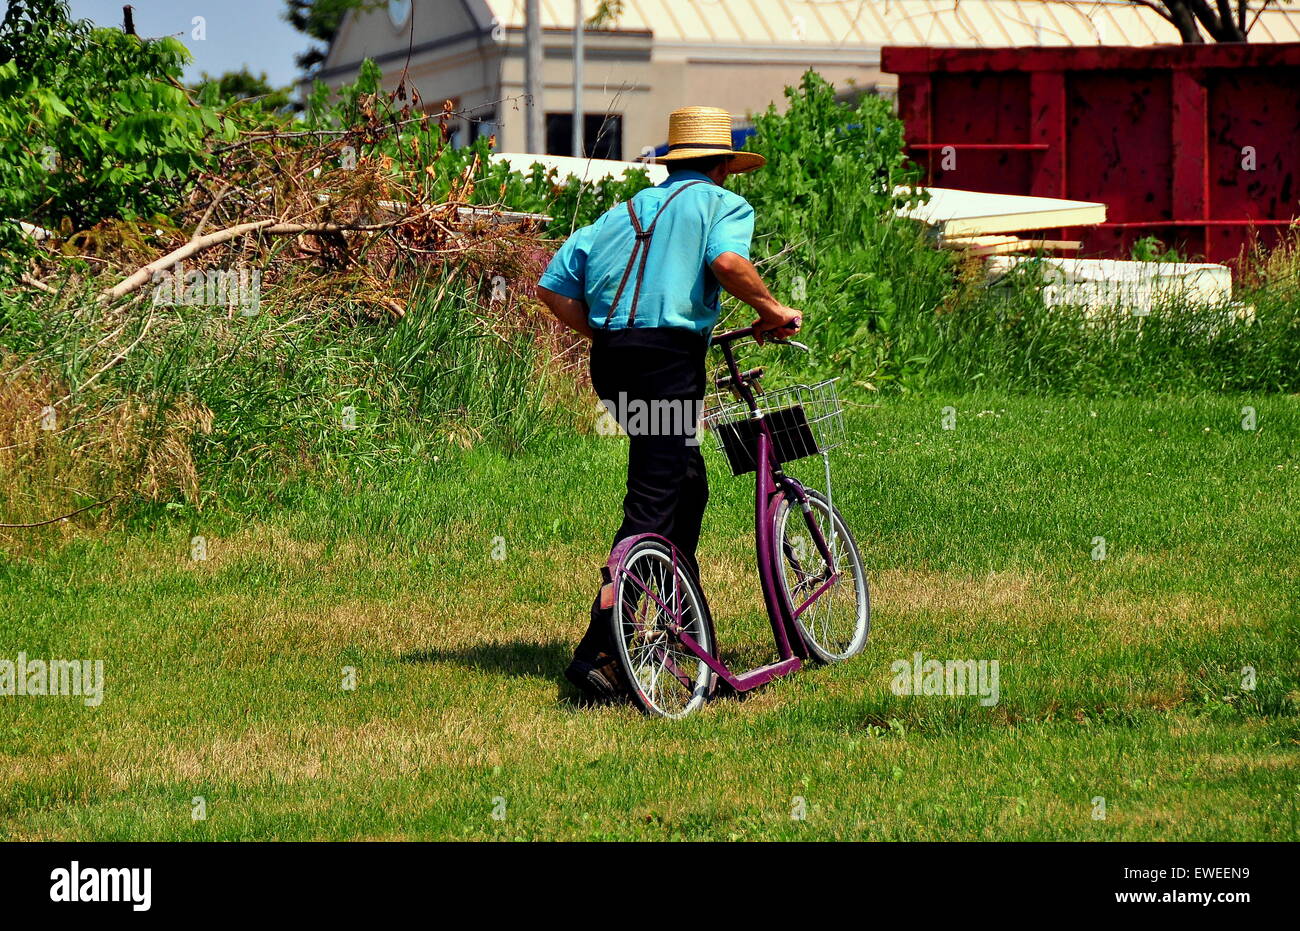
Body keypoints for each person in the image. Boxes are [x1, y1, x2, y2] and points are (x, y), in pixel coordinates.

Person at [536, 106, 802, 703]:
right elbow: (728, 263)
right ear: (723, 166)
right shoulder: (721, 206)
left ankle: (685, 630)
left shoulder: (621, 212)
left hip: (613, 363)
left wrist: (607, 336)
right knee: (652, 502)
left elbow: (552, 286)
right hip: (667, 363)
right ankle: (600, 652)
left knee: (684, 484)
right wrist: (772, 311)